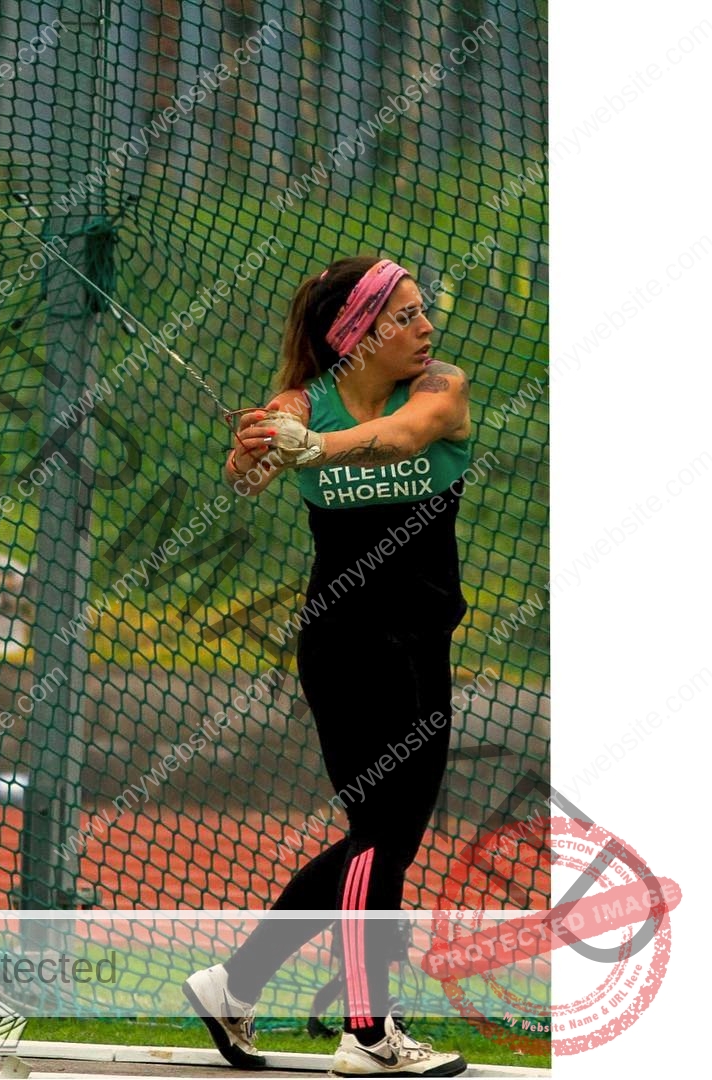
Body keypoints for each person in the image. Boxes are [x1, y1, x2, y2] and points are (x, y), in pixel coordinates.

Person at [183, 256, 472, 1077]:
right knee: (382, 835)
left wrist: (317, 446)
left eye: (422, 311)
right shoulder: (300, 405)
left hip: (424, 641)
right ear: (360, 333)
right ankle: (369, 1032)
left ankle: (234, 986)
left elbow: (406, 437)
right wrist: (257, 454)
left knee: (383, 840)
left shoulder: (439, 389)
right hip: (347, 645)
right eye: (406, 315)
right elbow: (248, 473)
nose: (425, 327)